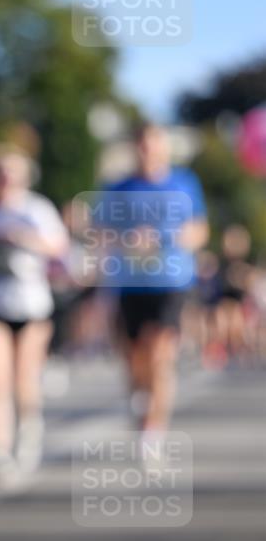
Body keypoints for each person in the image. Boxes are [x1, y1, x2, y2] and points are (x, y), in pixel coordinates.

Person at [0, 146, 69, 485]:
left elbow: (58, 247)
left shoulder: (36, 209)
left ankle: (29, 431)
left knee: (23, 379)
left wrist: (24, 238)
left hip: (30, 304)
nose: (4, 181)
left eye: (11, 175)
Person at [98, 123, 208, 445]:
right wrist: (127, 240)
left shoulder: (185, 183)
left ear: (164, 147)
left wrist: (162, 238)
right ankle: (141, 399)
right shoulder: (117, 188)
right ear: (135, 148)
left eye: (154, 143)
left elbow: (198, 231)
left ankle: (154, 430)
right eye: (143, 144)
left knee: (161, 354)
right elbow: (100, 232)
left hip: (171, 282)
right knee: (135, 358)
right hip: (129, 284)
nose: (149, 150)